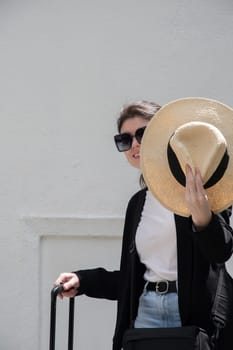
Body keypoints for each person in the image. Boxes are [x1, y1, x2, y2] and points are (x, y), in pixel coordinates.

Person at [54, 98, 233, 350]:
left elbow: (221, 252)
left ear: (164, 138)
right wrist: (84, 280)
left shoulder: (202, 188)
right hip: (145, 311)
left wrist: (203, 218)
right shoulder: (138, 203)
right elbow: (131, 279)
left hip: (195, 319)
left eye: (143, 134)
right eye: (125, 139)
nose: (135, 144)